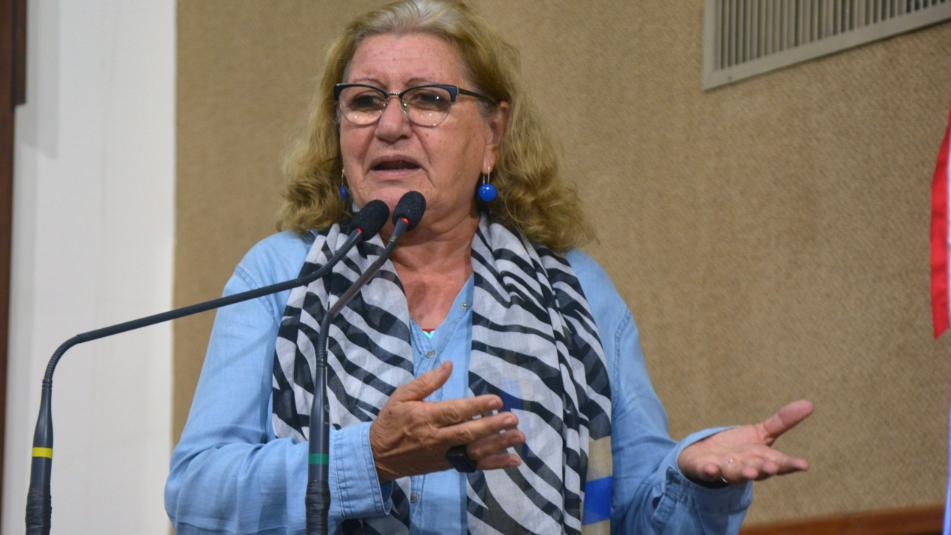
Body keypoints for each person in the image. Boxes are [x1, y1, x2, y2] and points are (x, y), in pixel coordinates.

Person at [165, 0, 814, 533]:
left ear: (493, 136)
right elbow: (196, 493)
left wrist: (695, 480)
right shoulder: (284, 276)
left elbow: (636, 509)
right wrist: (369, 458)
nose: (389, 124)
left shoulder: (576, 291)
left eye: (428, 98)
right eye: (364, 101)